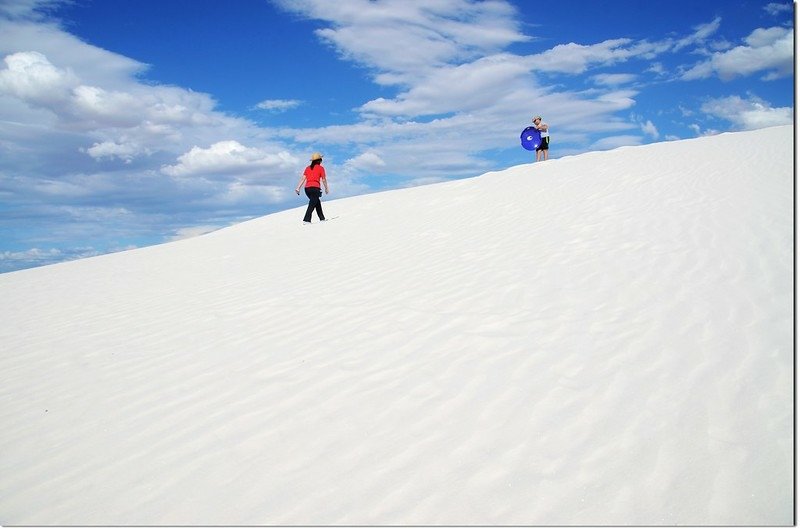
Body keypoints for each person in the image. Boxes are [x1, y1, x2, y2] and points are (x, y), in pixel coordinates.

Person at [295, 152, 329, 223]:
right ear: (319, 160)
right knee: (312, 204)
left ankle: (322, 218)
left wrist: (298, 188)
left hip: (307, 189)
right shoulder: (321, 168)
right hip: (315, 189)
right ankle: (306, 220)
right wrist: (326, 188)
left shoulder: (308, 168)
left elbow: (303, 179)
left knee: (317, 202)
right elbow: (323, 179)